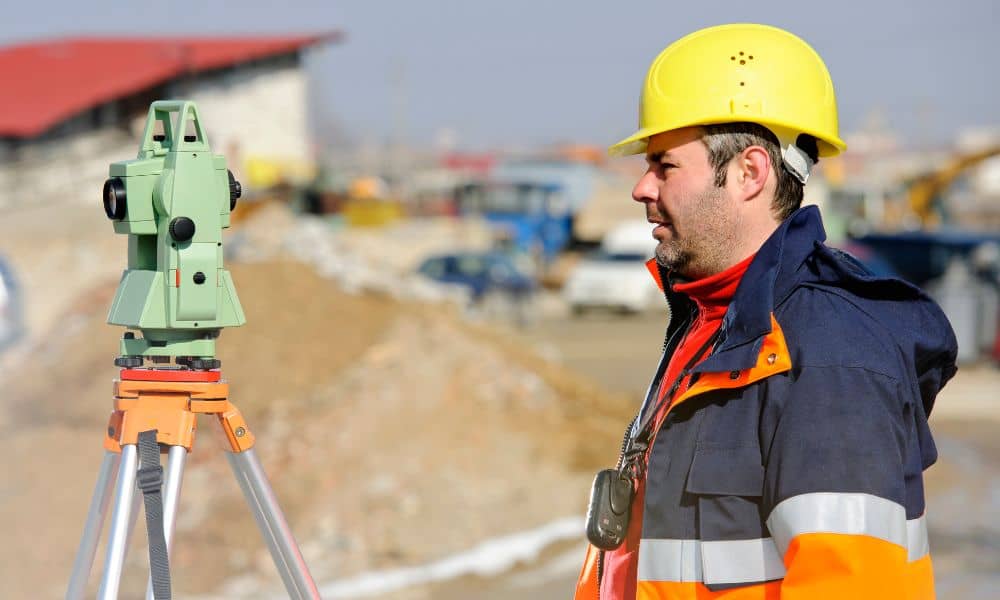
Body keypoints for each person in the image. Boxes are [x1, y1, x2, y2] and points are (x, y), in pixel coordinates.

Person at [575, 23, 957, 600]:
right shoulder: (712, 325)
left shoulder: (829, 355)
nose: (641, 188)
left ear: (749, 172)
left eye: (664, 165)